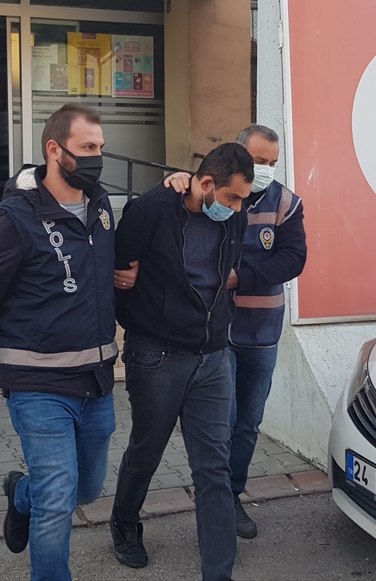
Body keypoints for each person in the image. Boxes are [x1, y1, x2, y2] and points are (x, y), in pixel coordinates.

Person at [0, 103, 127, 581]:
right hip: (38, 384)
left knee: (85, 490)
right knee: (58, 498)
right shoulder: (15, 219)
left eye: (100, 147)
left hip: (97, 380)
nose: (97, 157)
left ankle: (21, 495)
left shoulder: (100, 206)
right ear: (54, 150)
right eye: (87, 148)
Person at [110, 143, 254, 581]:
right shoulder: (150, 211)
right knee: (147, 450)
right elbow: (118, 276)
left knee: (214, 466)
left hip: (213, 356)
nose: (237, 208)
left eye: (242, 200)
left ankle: (218, 573)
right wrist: (144, 320)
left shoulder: (234, 215)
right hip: (156, 355)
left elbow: (227, 272)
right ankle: (124, 523)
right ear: (206, 183)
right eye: (231, 197)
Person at [163, 124, 306, 539]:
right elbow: (187, 207)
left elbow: (293, 259)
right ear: (239, 154)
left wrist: (239, 278)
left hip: (262, 332)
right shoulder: (220, 196)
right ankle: (214, 501)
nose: (266, 169)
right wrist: (177, 181)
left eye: (272, 162)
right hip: (218, 332)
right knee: (219, 424)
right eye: (259, 160)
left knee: (248, 423)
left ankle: (231, 496)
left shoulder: (286, 203)